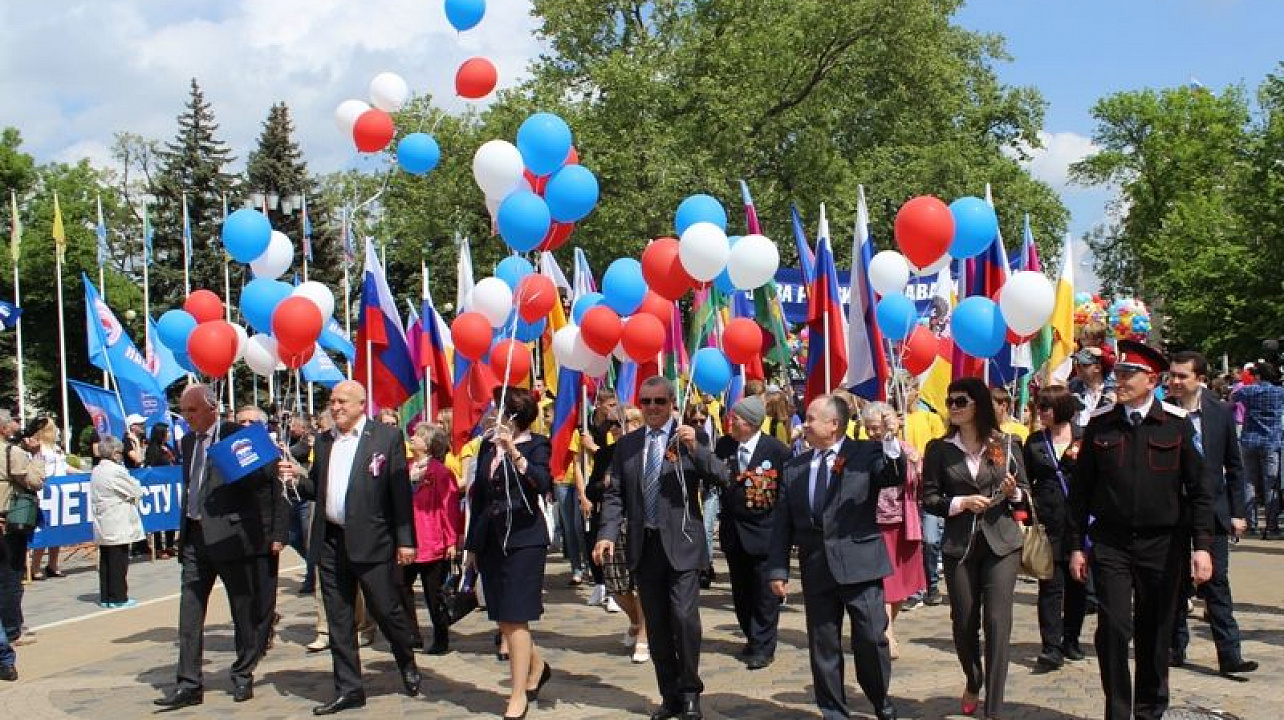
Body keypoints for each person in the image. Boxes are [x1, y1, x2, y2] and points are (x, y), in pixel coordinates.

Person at [1070, 340, 1214, 720]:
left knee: (1155, 630)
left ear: (1151, 380)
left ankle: (1149, 710)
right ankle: (1117, 710)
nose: (1119, 380)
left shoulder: (1176, 425)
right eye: (1117, 373)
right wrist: (1075, 546)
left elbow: (1200, 491)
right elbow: (1081, 493)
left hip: (1163, 544)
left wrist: (1202, 547)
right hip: (1112, 542)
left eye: (1127, 374)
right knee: (1114, 628)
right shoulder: (1102, 424)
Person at [282, 380, 422, 715]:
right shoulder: (327, 441)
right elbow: (318, 486)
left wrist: (406, 540)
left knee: (386, 609)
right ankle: (349, 687)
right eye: (332, 401)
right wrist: (296, 479)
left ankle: (406, 658)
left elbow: (399, 493)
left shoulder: (386, 438)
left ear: (362, 404)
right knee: (338, 617)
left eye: (342, 401)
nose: (335, 406)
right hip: (331, 541)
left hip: (373, 541)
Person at [595, 376, 730, 720]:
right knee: (655, 624)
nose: (652, 408)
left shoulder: (690, 437)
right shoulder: (628, 445)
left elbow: (721, 476)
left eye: (659, 402)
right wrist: (607, 533)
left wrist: (697, 450)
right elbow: (614, 495)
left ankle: (689, 693)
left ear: (672, 403)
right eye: (646, 402)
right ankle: (669, 695)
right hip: (645, 546)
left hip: (682, 543)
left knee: (684, 619)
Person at [766, 394, 906, 720]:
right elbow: (782, 524)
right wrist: (777, 569)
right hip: (817, 568)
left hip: (860, 565)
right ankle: (833, 711)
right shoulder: (795, 466)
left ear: (834, 424)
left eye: (812, 417)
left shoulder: (863, 453)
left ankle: (879, 698)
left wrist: (889, 440)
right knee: (823, 645)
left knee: (871, 639)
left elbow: (892, 474)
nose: (805, 423)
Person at [154, 386, 286, 709]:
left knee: (243, 610)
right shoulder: (187, 442)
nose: (187, 418)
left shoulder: (233, 434)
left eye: (192, 411)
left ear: (211, 408)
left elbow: (261, 481)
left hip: (229, 538)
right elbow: (192, 485)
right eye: (184, 411)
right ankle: (188, 683)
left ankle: (243, 672)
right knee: (189, 611)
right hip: (195, 538)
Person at [921, 377, 1030, 719]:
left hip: (1002, 543)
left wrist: (1013, 493)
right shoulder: (938, 449)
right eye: (949, 400)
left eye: (961, 401)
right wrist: (961, 502)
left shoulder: (1007, 443)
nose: (953, 406)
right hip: (959, 546)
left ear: (978, 405)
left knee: (998, 621)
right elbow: (929, 498)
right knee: (963, 622)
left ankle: (994, 710)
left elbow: (1025, 493)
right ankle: (973, 675)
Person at [463, 387, 555, 720]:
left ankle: (517, 695)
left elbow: (543, 482)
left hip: (524, 541)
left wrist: (515, 454)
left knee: (516, 616)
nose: (492, 413)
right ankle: (536, 665)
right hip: (491, 540)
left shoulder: (537, 445)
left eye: (498, 409)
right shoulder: (486, 446)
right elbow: (479, 498)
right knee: (501, 613)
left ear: (513, 416)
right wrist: (471, 546)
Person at [1166, 351, 1257, 676]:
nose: (1175, 382)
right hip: (1174, 509)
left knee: (1216, 581)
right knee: (1174, 581)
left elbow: (1234, 465)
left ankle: (1229, 653)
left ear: (1200, 379)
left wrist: (1238, 511)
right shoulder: (1163, 412)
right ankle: (1175, 646)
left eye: (1182, 376)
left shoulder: (1220, 412)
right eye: (1172, 376)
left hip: (1214, 509)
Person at [713, 396, 793, 670]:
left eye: (736, 418)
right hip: (734, 534)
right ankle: (751, 635)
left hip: (764, 534)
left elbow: (784, 494)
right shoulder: (725, 446)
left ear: (752, 423)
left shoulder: (777, 452)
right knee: (741, 593)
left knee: (764, 594)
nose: (732, 422)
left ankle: (764, 645)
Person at [1023, 384, 1088, 672]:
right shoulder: (1035, 441)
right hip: (1048, 521)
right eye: (1039, 407)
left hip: (1080, 522)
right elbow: (1026, 480)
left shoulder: (1084, 437)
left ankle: (1071, 638)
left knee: (1078, 585)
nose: (1041, 413)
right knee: (1050, 586)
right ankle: (1051, 646)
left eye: (1046, 407)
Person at [861, 402, 925, 662]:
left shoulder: (907, 449)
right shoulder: (863, 453)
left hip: (904, 523)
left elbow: (920, 484)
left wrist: (917, 465)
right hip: (876, 524)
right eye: (869, 428)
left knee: (902, 584)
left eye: (878, 428)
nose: (873, 433)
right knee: (885, 584)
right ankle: (887, 633)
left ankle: (888, 626)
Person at [401, 424, 462, 655]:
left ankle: (441, 636)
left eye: (417, 436)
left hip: (432, 540)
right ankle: (411, 633)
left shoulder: (440, 472)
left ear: (427, 444)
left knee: (433, 593)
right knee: (400, 586)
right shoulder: (406, 468)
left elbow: (449, 507)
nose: (412, 438)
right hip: (407, 540)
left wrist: (452, 540)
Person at [596, 406, 650, 662]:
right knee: (617, 583)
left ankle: (644, 634)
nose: (619, 428)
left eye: (627, 422)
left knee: (640, 584)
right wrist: (603, 484)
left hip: (642, 524)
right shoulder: (607, 453)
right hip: (615, 525)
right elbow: (594, 489)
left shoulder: (648, 451)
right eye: (615, 424)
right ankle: (636, 621)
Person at [234, 406, 290, 656]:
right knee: (243, 593)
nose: (245, 425)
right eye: (241, 421)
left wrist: (279, 534)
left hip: (265, 533)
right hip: (235, 534)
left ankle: (262, 635)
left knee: (264, 592)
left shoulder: (271, 454)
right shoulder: (228, 454)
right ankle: (248, 637)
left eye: (251, 422)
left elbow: (281, 497)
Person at [0, 414, 43, 648]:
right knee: (11, 575)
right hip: (9, 518)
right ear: (5, 429)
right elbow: (35, 481)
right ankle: (12, 629)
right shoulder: (12, 453)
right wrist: (36, 455)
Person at [89, 435, 146, 608]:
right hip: (116, 518)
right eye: (120, 452)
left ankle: (107, 596)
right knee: (118, 560)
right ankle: (118, 597)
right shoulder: (115, 471)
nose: (121, 455)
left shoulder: (97, 469)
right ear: (114, 453)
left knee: (106, 559)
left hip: (104, 517)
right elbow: (135, 489)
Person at [1230, 362, 1283, 538]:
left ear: (1258, 376)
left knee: (1249, 482)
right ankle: (1271, 525)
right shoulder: (1279, 392)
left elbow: (1233, 398)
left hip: (1250, 439)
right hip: (1272, 441)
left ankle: (1251, 524)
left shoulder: (1248, 391)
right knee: (1271, 484)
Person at [27, 415, 73, 580]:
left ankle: (53, 564)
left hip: (59, 493)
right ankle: (35, 566)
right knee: (43, 531)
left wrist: (83, 474)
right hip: (44, 493)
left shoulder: (56, 448)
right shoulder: (37, 448)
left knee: (57, 530)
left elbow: (64, 466)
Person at [683, 401, 719, 589]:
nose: (698, 424)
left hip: (709, 488)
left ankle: (707, 565)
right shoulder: (681, 437)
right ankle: (699, 565)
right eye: (694, 420)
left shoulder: (710, 435)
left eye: (701, 420)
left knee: (707, 527)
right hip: (692, 489)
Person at [144, 422, 178, 558]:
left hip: (170, 486)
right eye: (167, 432)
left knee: (170, 516)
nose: (169, 434)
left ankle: (169, 545)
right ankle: (158, 548)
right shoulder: (153, 449)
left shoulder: (168, 447)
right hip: (158, 487)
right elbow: (150, 467)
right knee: (158, 519)